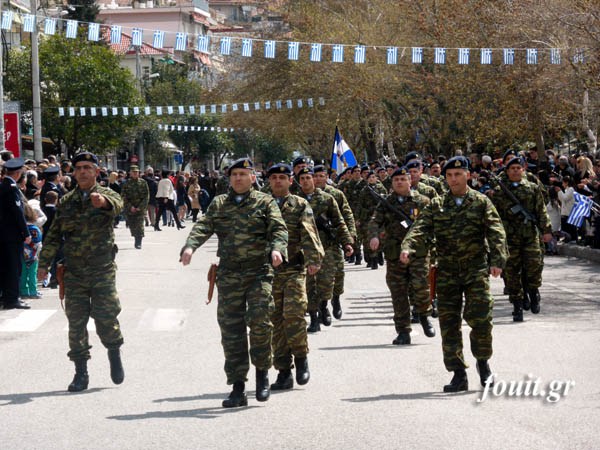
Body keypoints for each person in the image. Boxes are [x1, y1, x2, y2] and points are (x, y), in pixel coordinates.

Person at [180, 158, 288, 408]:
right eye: (234, 174)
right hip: (229, 275)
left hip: (258, 273)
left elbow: (279, 229)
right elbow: (203, 227)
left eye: (243, 173)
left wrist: (277, 249)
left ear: (252, 177)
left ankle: (262, 373)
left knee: (260, 322)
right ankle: (237, 386)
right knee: (231, 331)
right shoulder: (219, 203)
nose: (238, 178)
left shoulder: (265, 201)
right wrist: (190, 246)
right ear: (229, 178)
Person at [400, 156, 508, 392]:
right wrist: (408, 246)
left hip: (475, 270)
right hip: (447, 271)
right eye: (449, 175)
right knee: (449, 323)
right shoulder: (437, 205)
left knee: (480, 319)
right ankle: (458, 373)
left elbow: (496, 231)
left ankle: (483, 362)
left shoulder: (480, 202)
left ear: (467, 175)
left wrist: (497, 260)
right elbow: (420, 229)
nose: (453, 179)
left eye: (458, 174)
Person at [37, 152, 125, 393]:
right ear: (73, 173)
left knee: (105, 318)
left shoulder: (108, 194)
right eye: (79, 168)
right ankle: (80, 373)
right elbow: (54, 235)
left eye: (88, 167)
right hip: (74, 272)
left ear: (97, 171)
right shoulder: (66, 202)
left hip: (102, 270)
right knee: (76, 324)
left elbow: (117, 205)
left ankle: (114, 350)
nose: (83, 171)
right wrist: (43, 265)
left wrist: (103, 203)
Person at [266, 163, 324, 391]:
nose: (278, 181)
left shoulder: (300, 205)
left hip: (293, 269)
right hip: (268, 272)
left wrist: (313, 259)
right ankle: (283, 371)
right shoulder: (261, 205)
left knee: (293, 315)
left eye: (282, 177)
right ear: (269, 181)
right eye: (274, 177)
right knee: (274, 322)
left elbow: (309, 233)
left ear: (291, 181)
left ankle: (301, 358)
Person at [369, 167, 435, 345]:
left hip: (418, 253)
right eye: (396, 179)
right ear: (392, 183)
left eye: (402, 179)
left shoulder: (422, 201)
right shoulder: (385, 203)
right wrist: (374, 236)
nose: (399, 182)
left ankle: (424, 315)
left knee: (421, 288)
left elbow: (432, 223)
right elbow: (375, 221)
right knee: (398, 294)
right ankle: (403, 331)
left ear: (409, 181)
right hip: (395, 254)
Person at [490, 157, 552, 321]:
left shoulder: (532, 188)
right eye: (512, 168)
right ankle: (517, 305)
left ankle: (533, 291)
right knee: (512, 272)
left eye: (518, 168)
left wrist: (546, 230)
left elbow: (541, 211)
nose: (516, 170)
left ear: (523, 170)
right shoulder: (499, 191)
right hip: (510, 238)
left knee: (534, 265)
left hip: (530, 234)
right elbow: (493, 216)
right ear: (507, 171)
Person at [297, 167, 354, 332]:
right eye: (303, 178)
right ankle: (314, 317)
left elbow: (339, 221)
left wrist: (348, 242)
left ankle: (324, 305)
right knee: (308, 285)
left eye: (309, 178)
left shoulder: (327, 199)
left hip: (327, 246)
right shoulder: (294, 201)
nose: (307, 181)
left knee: (326, 282)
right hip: (305, 249)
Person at [313, 165, 356, 319]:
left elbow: (346, 215)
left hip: (333, 240)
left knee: (338, 275)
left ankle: (336, 299)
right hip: (314, 243)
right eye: (315, 176)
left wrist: (349, 238)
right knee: (320, 278)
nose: (318, 179)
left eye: (321, 176)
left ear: (326, 177)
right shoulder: (305, 196)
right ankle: (321, 306)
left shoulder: (335, 194)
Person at [0, 158, 32, 310]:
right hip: (12, 236)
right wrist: (25, 232)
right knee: (14, 267)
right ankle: (12, 299)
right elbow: (18, 212)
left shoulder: (2, 186)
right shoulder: (11, 188)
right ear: (18, 174)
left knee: (5, 266)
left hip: (3, 235)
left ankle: (6, 297)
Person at [120, 165, 149, 249]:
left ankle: (138, 242)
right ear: (130, 173)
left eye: (137, 172)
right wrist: (130, 207)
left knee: (139, 226)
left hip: (140, 209)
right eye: (134, 172)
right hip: (130, 209)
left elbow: (146, 196)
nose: (136, 173)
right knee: (132, 226)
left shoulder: (143, 183)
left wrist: (141, 207)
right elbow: (123, 196)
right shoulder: (126, 183)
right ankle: (136, 236)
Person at [20, 203, 43, 299]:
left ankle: (24, 291)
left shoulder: (20, 228)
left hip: (21, 254)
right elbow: (38, 243)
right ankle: (33, 291)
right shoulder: (35, 229)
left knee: (23, 274)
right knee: (32, 274)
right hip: (33, 255)